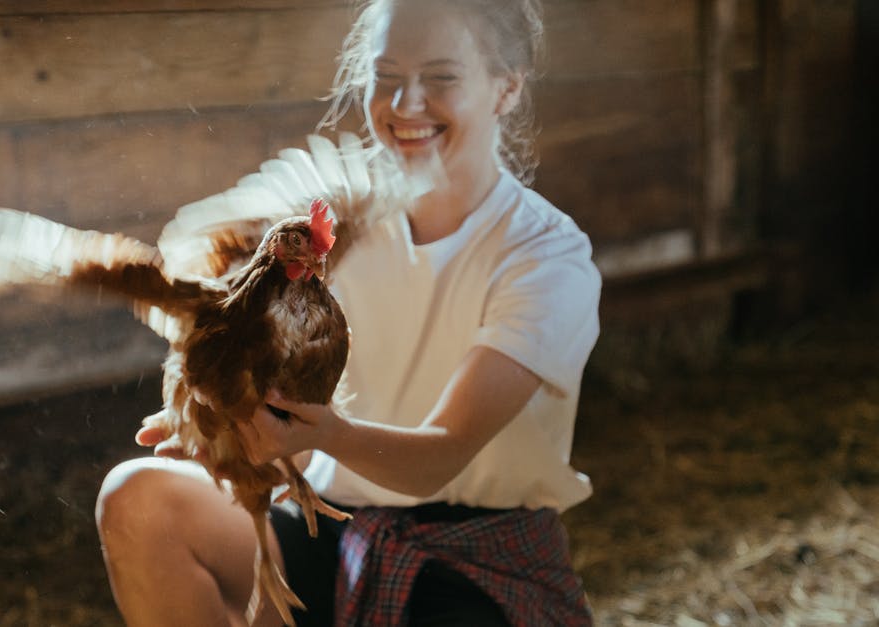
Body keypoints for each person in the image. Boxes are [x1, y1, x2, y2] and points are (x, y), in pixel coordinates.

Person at [95, 0, 600, 625]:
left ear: (507, 86)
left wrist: (322, 432)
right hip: (328, 523)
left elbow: (441, 454)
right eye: (386, 77)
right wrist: (232, 429)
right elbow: (200, 257)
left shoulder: (545, 255)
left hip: (475, 559)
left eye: (441, 78)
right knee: (138, 500)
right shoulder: (331, 227)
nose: (404, 104)